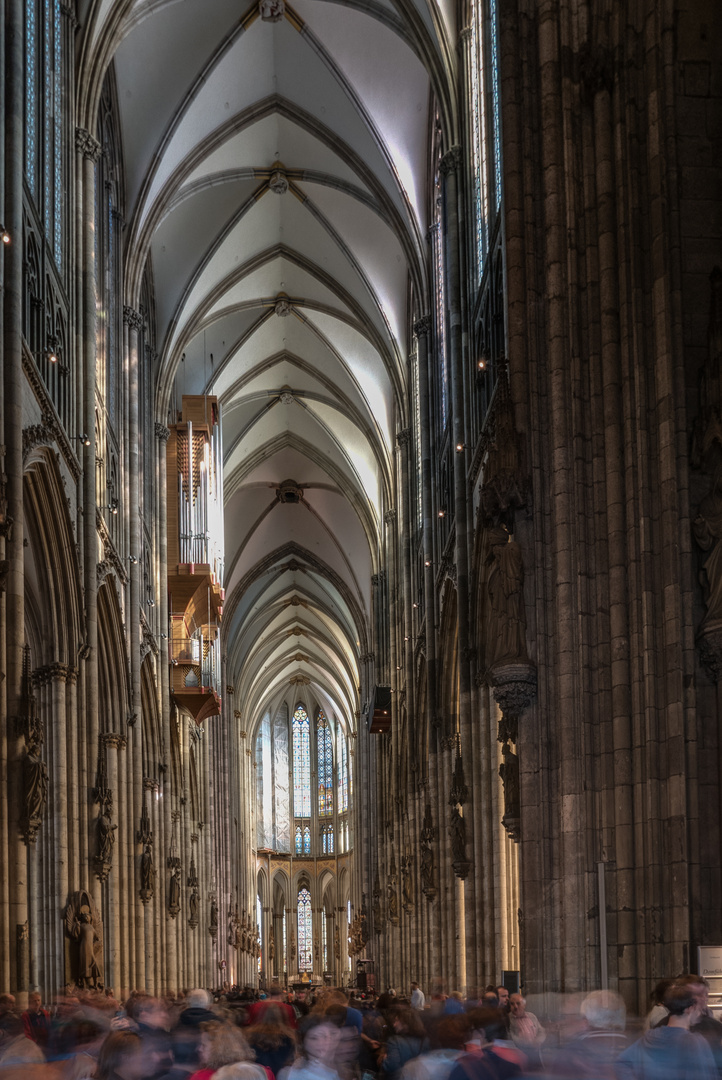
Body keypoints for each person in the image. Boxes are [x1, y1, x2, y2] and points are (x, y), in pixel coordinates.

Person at [615, 984, 716, 1080]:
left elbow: (621, 1063)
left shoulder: (649, 1038)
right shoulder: (695, 1042)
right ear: (689, 1009)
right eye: (697, 1008)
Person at [279, 1014, 342, 1080]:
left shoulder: (335, 1067)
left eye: (324, 1036)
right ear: (302, 1041)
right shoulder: (294, 1073)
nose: (321, 1043)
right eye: (314, 1038)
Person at [189, 1020, 256, 1080]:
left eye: (204, 1045)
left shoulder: (202, 1077)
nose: (199, 1049)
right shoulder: (255, 1073)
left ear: (218, 1049)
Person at [381, 1005, 430, 1080]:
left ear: (406, 1024)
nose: (394, 1024)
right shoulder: (425, 1040)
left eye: (397, 1021)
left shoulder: (394, 1041)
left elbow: (391, 1066)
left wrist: (384, 1059)